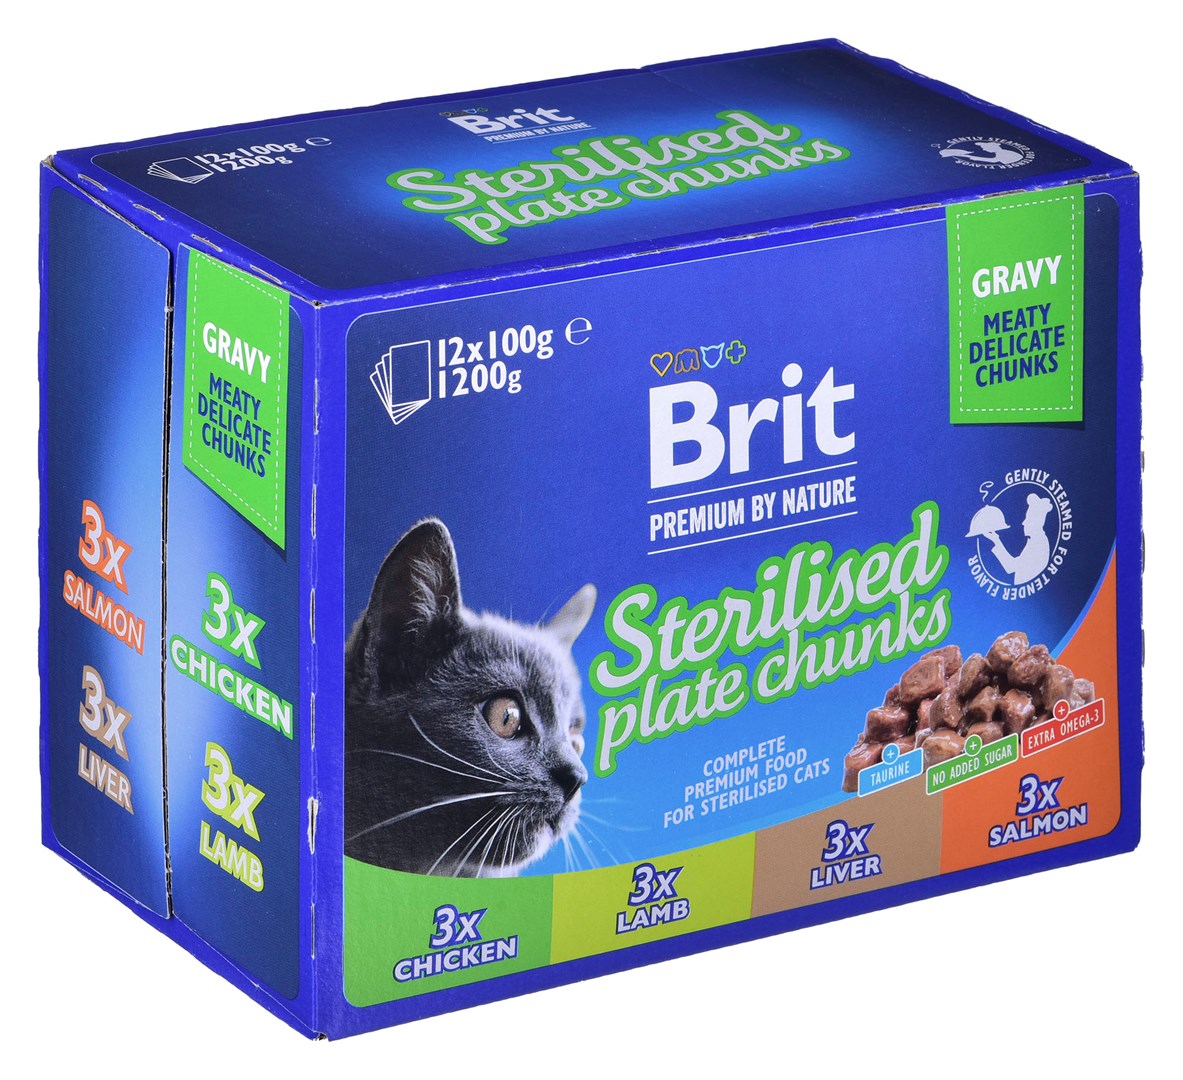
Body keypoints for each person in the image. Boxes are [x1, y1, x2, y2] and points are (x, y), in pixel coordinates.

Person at [985, 494, 1054, 585]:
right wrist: (996, 540)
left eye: (1028, 519)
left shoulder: (1038, 543)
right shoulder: (1034, 541)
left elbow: (1011, 567)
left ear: (1036, 523)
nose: (1023, 523)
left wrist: (996, 541)